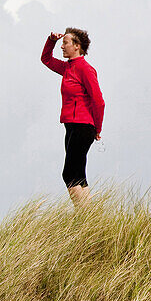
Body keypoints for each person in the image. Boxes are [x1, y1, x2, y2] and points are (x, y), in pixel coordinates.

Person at [41, 28, 104, 206]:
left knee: (69, 174)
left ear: (77, 46)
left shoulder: (85, 69)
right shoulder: (68, 67)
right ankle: (90, 216)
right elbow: (46, 59)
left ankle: (84, 217)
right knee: (78, 173)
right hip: (71, 126)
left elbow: (99, 101)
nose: (62, 46)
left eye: (65, 43)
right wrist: (51, 41)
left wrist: (97, 128)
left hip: (83, 126)